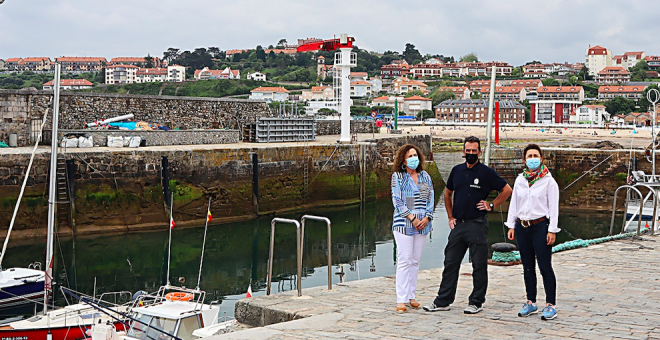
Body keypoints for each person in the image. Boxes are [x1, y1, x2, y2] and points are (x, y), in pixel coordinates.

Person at [424, 136, 512, 314]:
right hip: (458, 225)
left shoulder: (486, 172)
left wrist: (492, 205)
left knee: (479, 264)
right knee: (450, 262)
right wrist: (450, 216)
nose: (471, 153)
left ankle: (476, 302)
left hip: (477, 224)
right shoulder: (456, 171)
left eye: (474, 151)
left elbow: (507, 189)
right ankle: (443, 301)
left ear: (479, 152)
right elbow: (448, 194)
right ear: (463, 152)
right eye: (468, 150)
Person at [506, 144, 560, 320]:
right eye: (529, 156)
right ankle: (531, 302)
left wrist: (552, 230)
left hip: (540, 227)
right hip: (523, 227)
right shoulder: (520, 180)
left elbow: (553, 208)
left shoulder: (549, 181)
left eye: (535, 155)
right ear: (524, 160)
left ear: (542, 158)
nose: (532, 159)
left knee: (544, 266)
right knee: (527, 267)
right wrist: (511, 225)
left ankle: (550, 304)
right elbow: (514, 203)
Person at [390, 144, 435, 313]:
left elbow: (431, 197)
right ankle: (400, 299)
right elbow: (397, 201)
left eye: (415, 155)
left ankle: (411, 296)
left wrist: (426, 217)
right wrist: (412, 218)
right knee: (404, 260)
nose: (413, 158)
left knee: (415, 261)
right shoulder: (398, 177)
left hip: (423, 224)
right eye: (409, 156)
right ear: (403, 159)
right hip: (404, 224)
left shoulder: (425, 176)